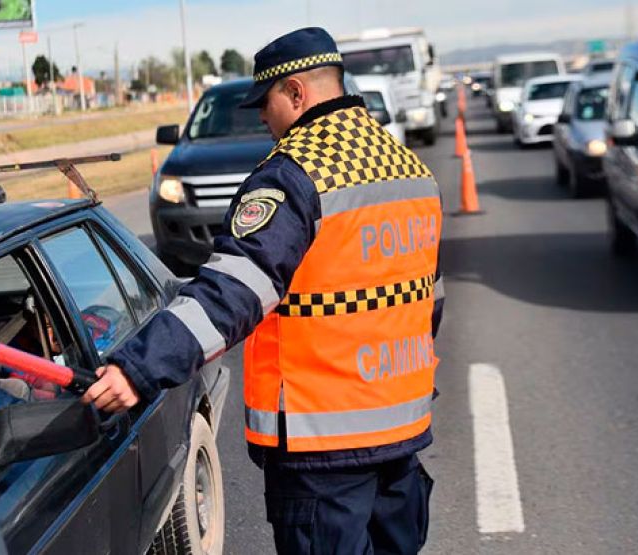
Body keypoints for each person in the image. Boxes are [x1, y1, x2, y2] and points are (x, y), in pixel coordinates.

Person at [82, 27, 444, 554]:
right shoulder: (405, 165)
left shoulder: (294, 174)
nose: (261, 116)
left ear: (296, 93)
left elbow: (233, 292)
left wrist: (138, 368)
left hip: (325, 443)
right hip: (400, 431)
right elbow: (427, 301)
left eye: (266, 102)